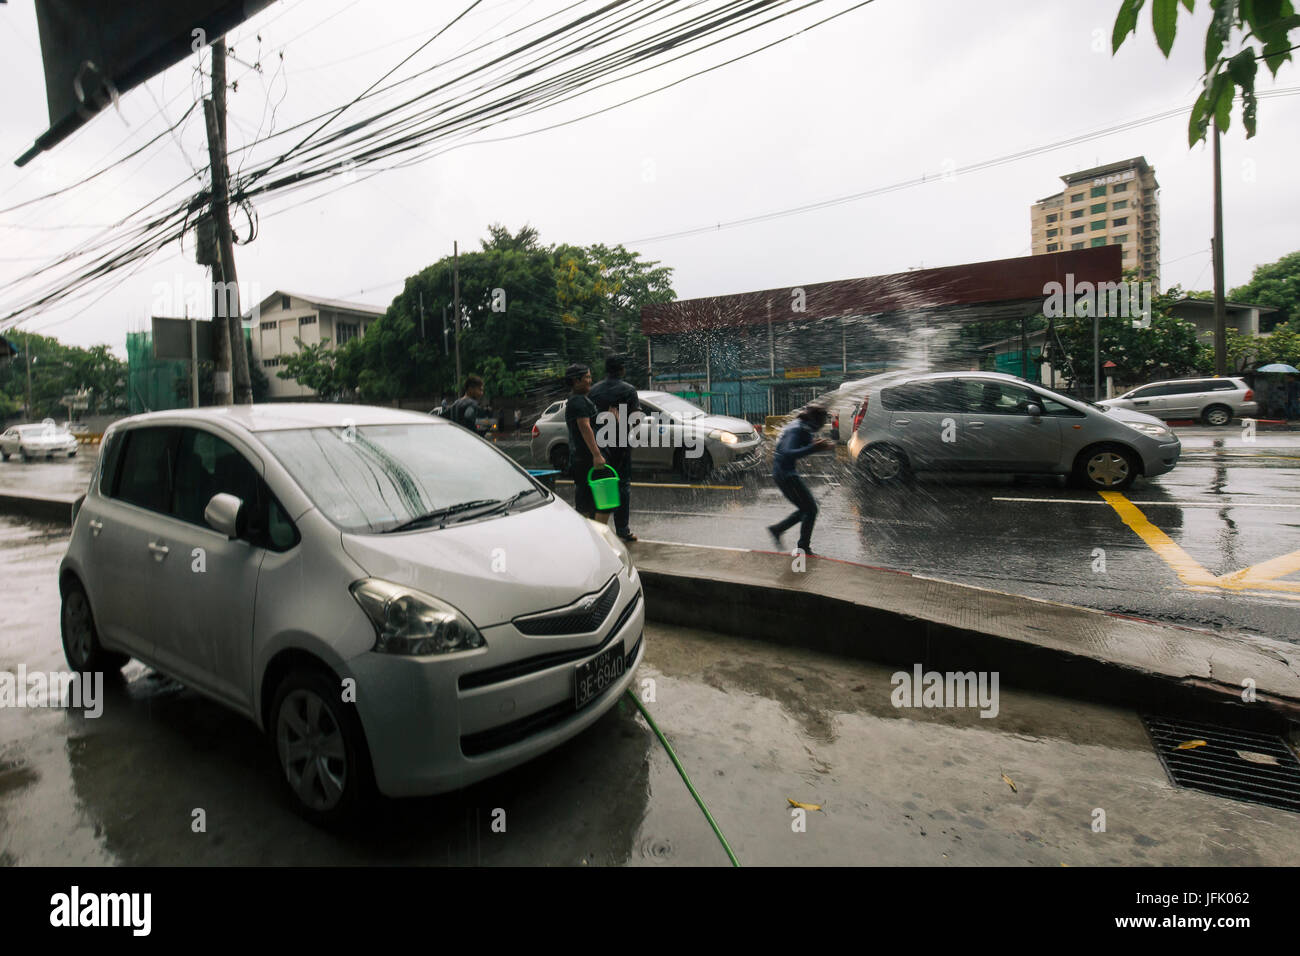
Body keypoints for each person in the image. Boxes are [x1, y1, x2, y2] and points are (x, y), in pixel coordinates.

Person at [767, 403, 834, 555]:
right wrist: (813, 448)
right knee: (810, 509)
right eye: (822, 422)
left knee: (807, 509)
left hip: (785, 473)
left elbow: (799, 446)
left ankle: (778, 530)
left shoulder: (802, 426)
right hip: (785, 475)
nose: (823, 425)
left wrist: (817, 446)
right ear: (816, 420)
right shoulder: (798, 429)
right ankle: (802, 546)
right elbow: (787, 452)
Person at [588, 356, 639, 541]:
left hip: (599, 446)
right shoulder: (629, 390)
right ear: (622, 370)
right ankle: (623, 530)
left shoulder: (593, 391)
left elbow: (589, 420)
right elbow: (635, 419)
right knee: (623, 485)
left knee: (602, 486)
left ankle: (598, 530)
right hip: (621, 445)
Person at [564, 364, 605, 518]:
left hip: (582, 458)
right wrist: (596, 455)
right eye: (587, 377)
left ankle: (590, 533)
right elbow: (585, 427)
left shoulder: (577, 399)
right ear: (576, 380)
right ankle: (589, 535)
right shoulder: (578, 401)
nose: (590, 380)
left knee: (588, 499)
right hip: (585, 458)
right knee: (587, 502)